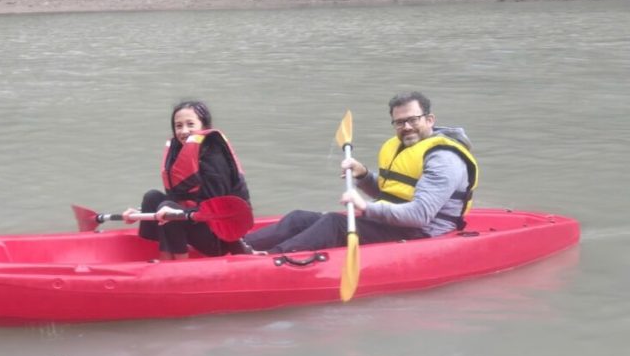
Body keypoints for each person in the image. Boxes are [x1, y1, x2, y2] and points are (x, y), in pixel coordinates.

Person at [243, 91, 478, 254]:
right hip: (395, 222)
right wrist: (363, 176)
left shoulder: (444, 158)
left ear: (429, 119)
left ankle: (267, 259)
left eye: (412, 120)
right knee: (299, 217)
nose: (405, 127)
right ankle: (233, 245)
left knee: (334, 224)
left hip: (422, 232)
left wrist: (365, 207)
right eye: (399, 122)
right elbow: (392, 192)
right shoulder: (404, 146)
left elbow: (419, 214)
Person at [124, 100, 251, 260]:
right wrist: (142, 214)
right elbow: (182, 198)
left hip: (221, 237)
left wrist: (174, 212)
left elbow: (217, 210)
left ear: (204, 127)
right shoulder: (183, 152)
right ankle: (155, 254)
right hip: (198, 221)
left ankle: (178, 265)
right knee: (152, 198)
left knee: (168, 207)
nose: (184, 131)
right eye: (178, 126)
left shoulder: (214, 159)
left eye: (190, 124)